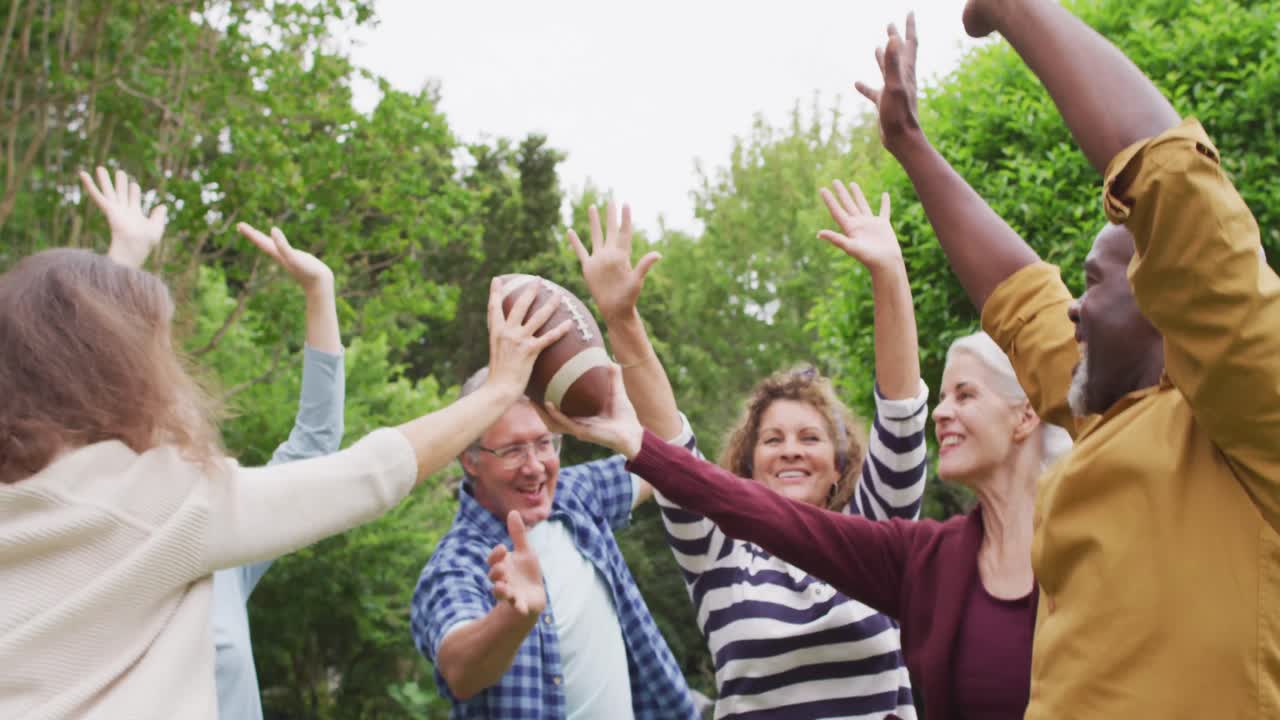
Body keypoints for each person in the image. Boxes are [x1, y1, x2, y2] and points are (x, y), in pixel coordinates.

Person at [870, 1, 1280, 715]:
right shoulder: (1119, 413)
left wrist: (1015, 9)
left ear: (1166, 302)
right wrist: (911, 146)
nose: (1073, 307)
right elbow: (1018, 300)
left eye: (1091, 283)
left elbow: (1177, 188)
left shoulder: (1252, 418)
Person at [0, 221, 570, 719]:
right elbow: (366, 474)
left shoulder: (37, 501)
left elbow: (55, 365)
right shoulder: (160, 505)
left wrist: (107, 275)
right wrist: (499, 389)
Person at [565, 189, 930, 718]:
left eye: (810, 438)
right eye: (773, 439)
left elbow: (900, 418)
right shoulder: (720, 555)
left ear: (840, 463)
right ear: (748, 463)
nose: (791, 452)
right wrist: (622, 320)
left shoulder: (874, 536)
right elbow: (671, 450)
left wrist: (889, 274)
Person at [77, 167, 349, 720]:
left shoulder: (225, 544)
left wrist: (320, 294)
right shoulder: (89, 546)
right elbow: (68, 396)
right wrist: (120, 263)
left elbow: (315, 444)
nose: (188, 421)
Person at [409, 202, 697, 719]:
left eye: (545, 444)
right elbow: (460, 669)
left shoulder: (576, 498)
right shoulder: (458, 563)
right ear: (470, 460)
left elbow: (673, 453)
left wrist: (622, 319)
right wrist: (512, 617)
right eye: (513, 449)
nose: (537, 465)